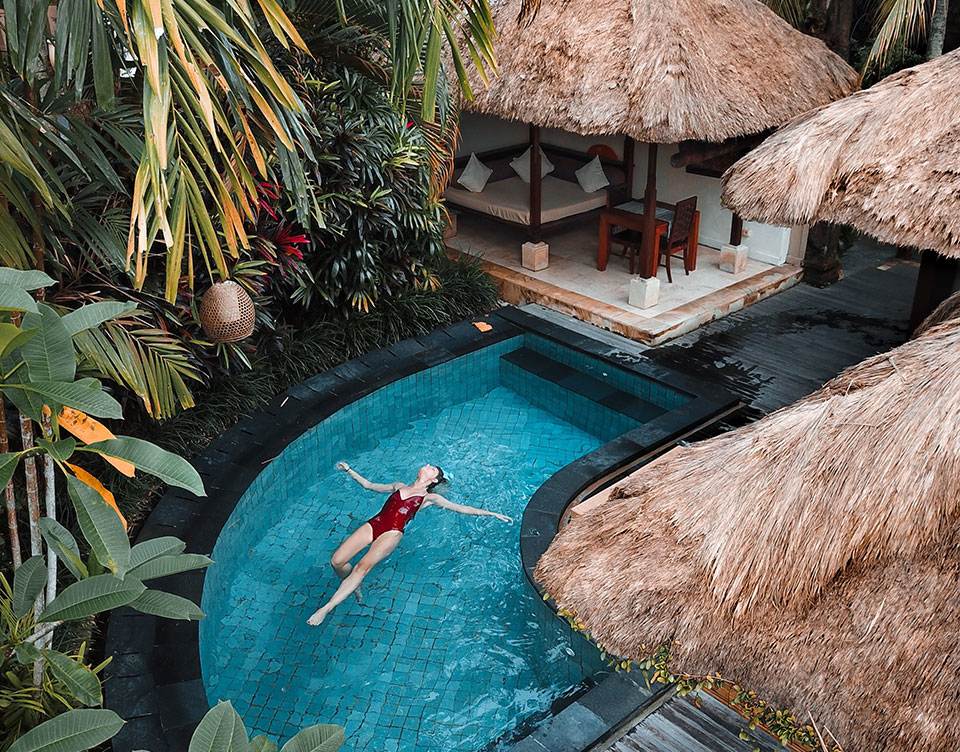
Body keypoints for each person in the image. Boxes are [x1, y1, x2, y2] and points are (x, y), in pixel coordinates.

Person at [307, 461, 513, 626]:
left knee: (361, 567)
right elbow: (369, 485)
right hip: (375, 523)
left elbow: (461, 508)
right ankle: (353, 585)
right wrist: (349, 470)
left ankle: (326, 608)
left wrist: (492, 513)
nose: (428, 465)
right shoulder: (398, 486)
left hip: (392, 533)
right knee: (337, 561)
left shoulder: (430, 498)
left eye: (433, 468)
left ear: (434, 479)